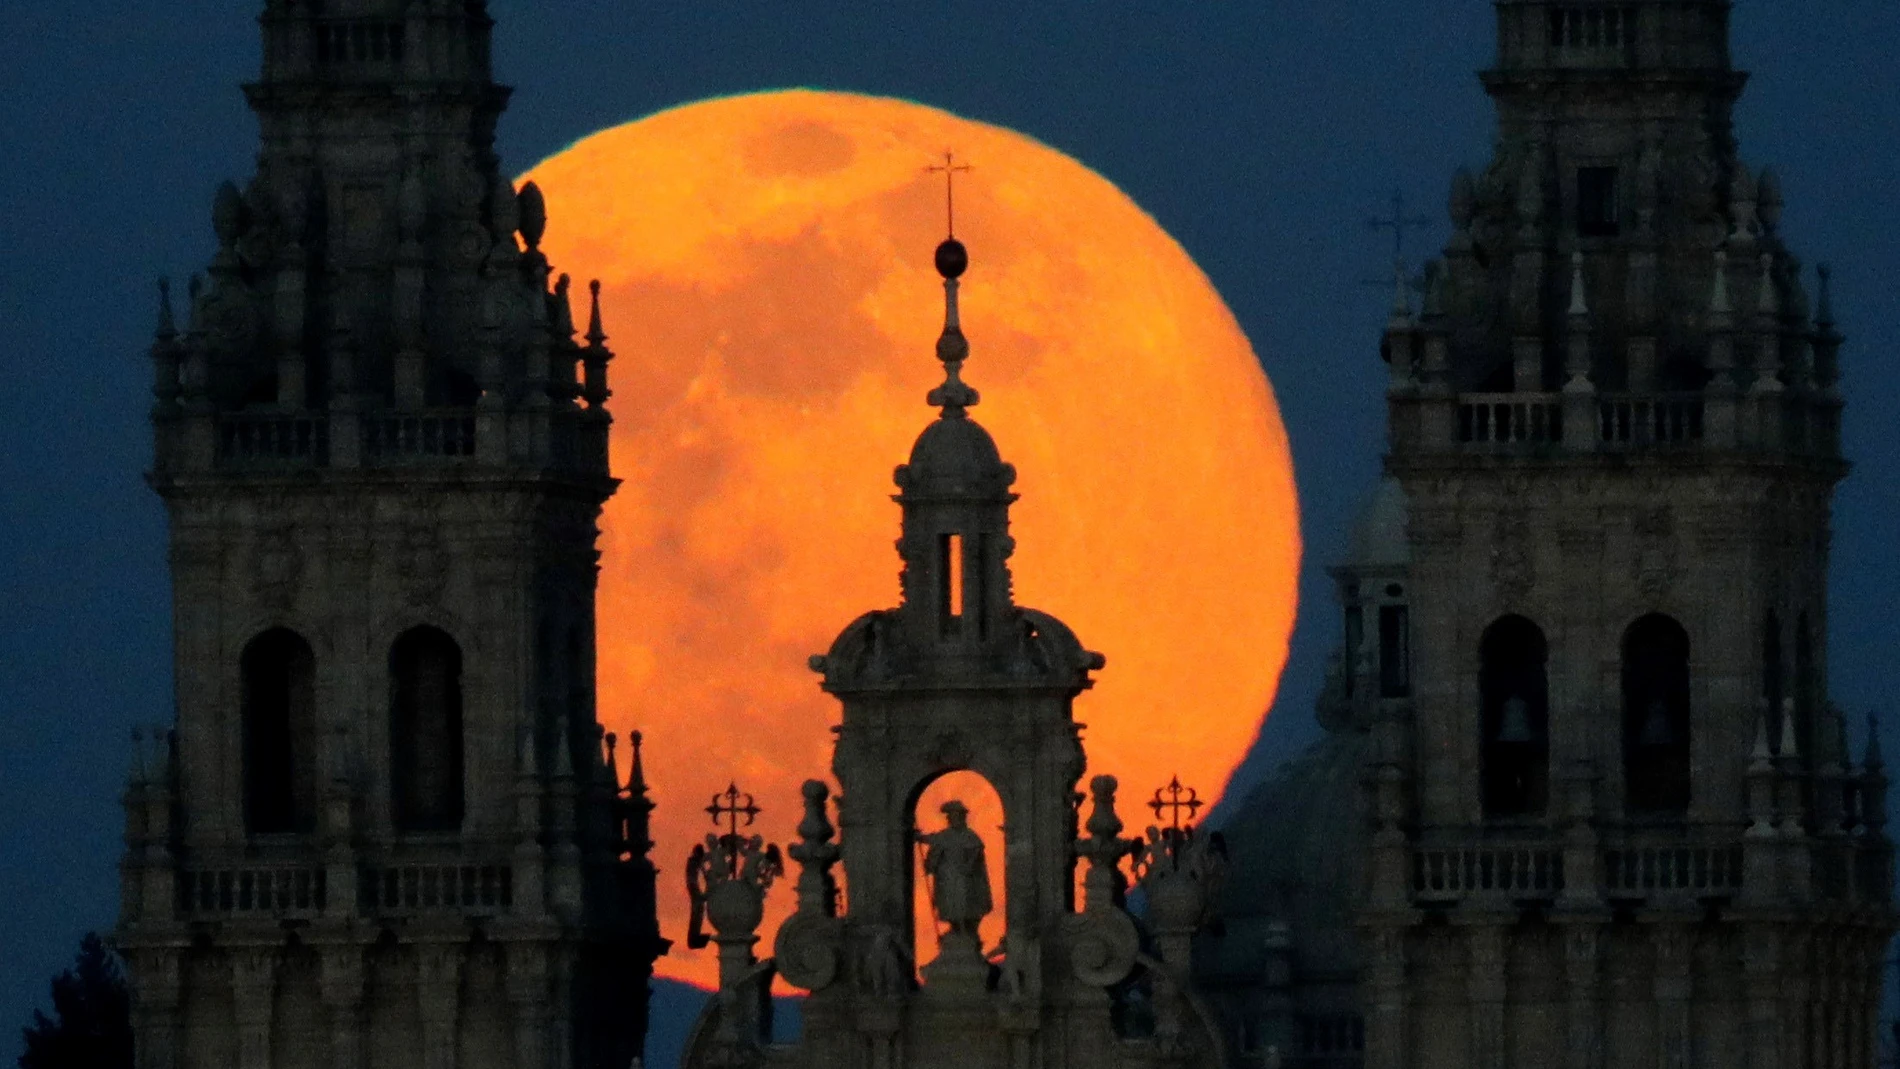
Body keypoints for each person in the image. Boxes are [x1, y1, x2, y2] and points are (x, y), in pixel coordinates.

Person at [919, 800, 992, 944]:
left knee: (964, 905)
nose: (950, 819)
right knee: (950, 906)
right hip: (948, 879)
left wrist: (968, 866)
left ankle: (965, 931)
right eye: (950, 816)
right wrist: (917, 836)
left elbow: (976, 850)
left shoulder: (969, 835)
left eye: (954, 816)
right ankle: (956, 929)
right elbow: (932, 840)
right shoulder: (945, 835)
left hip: (964, 878)